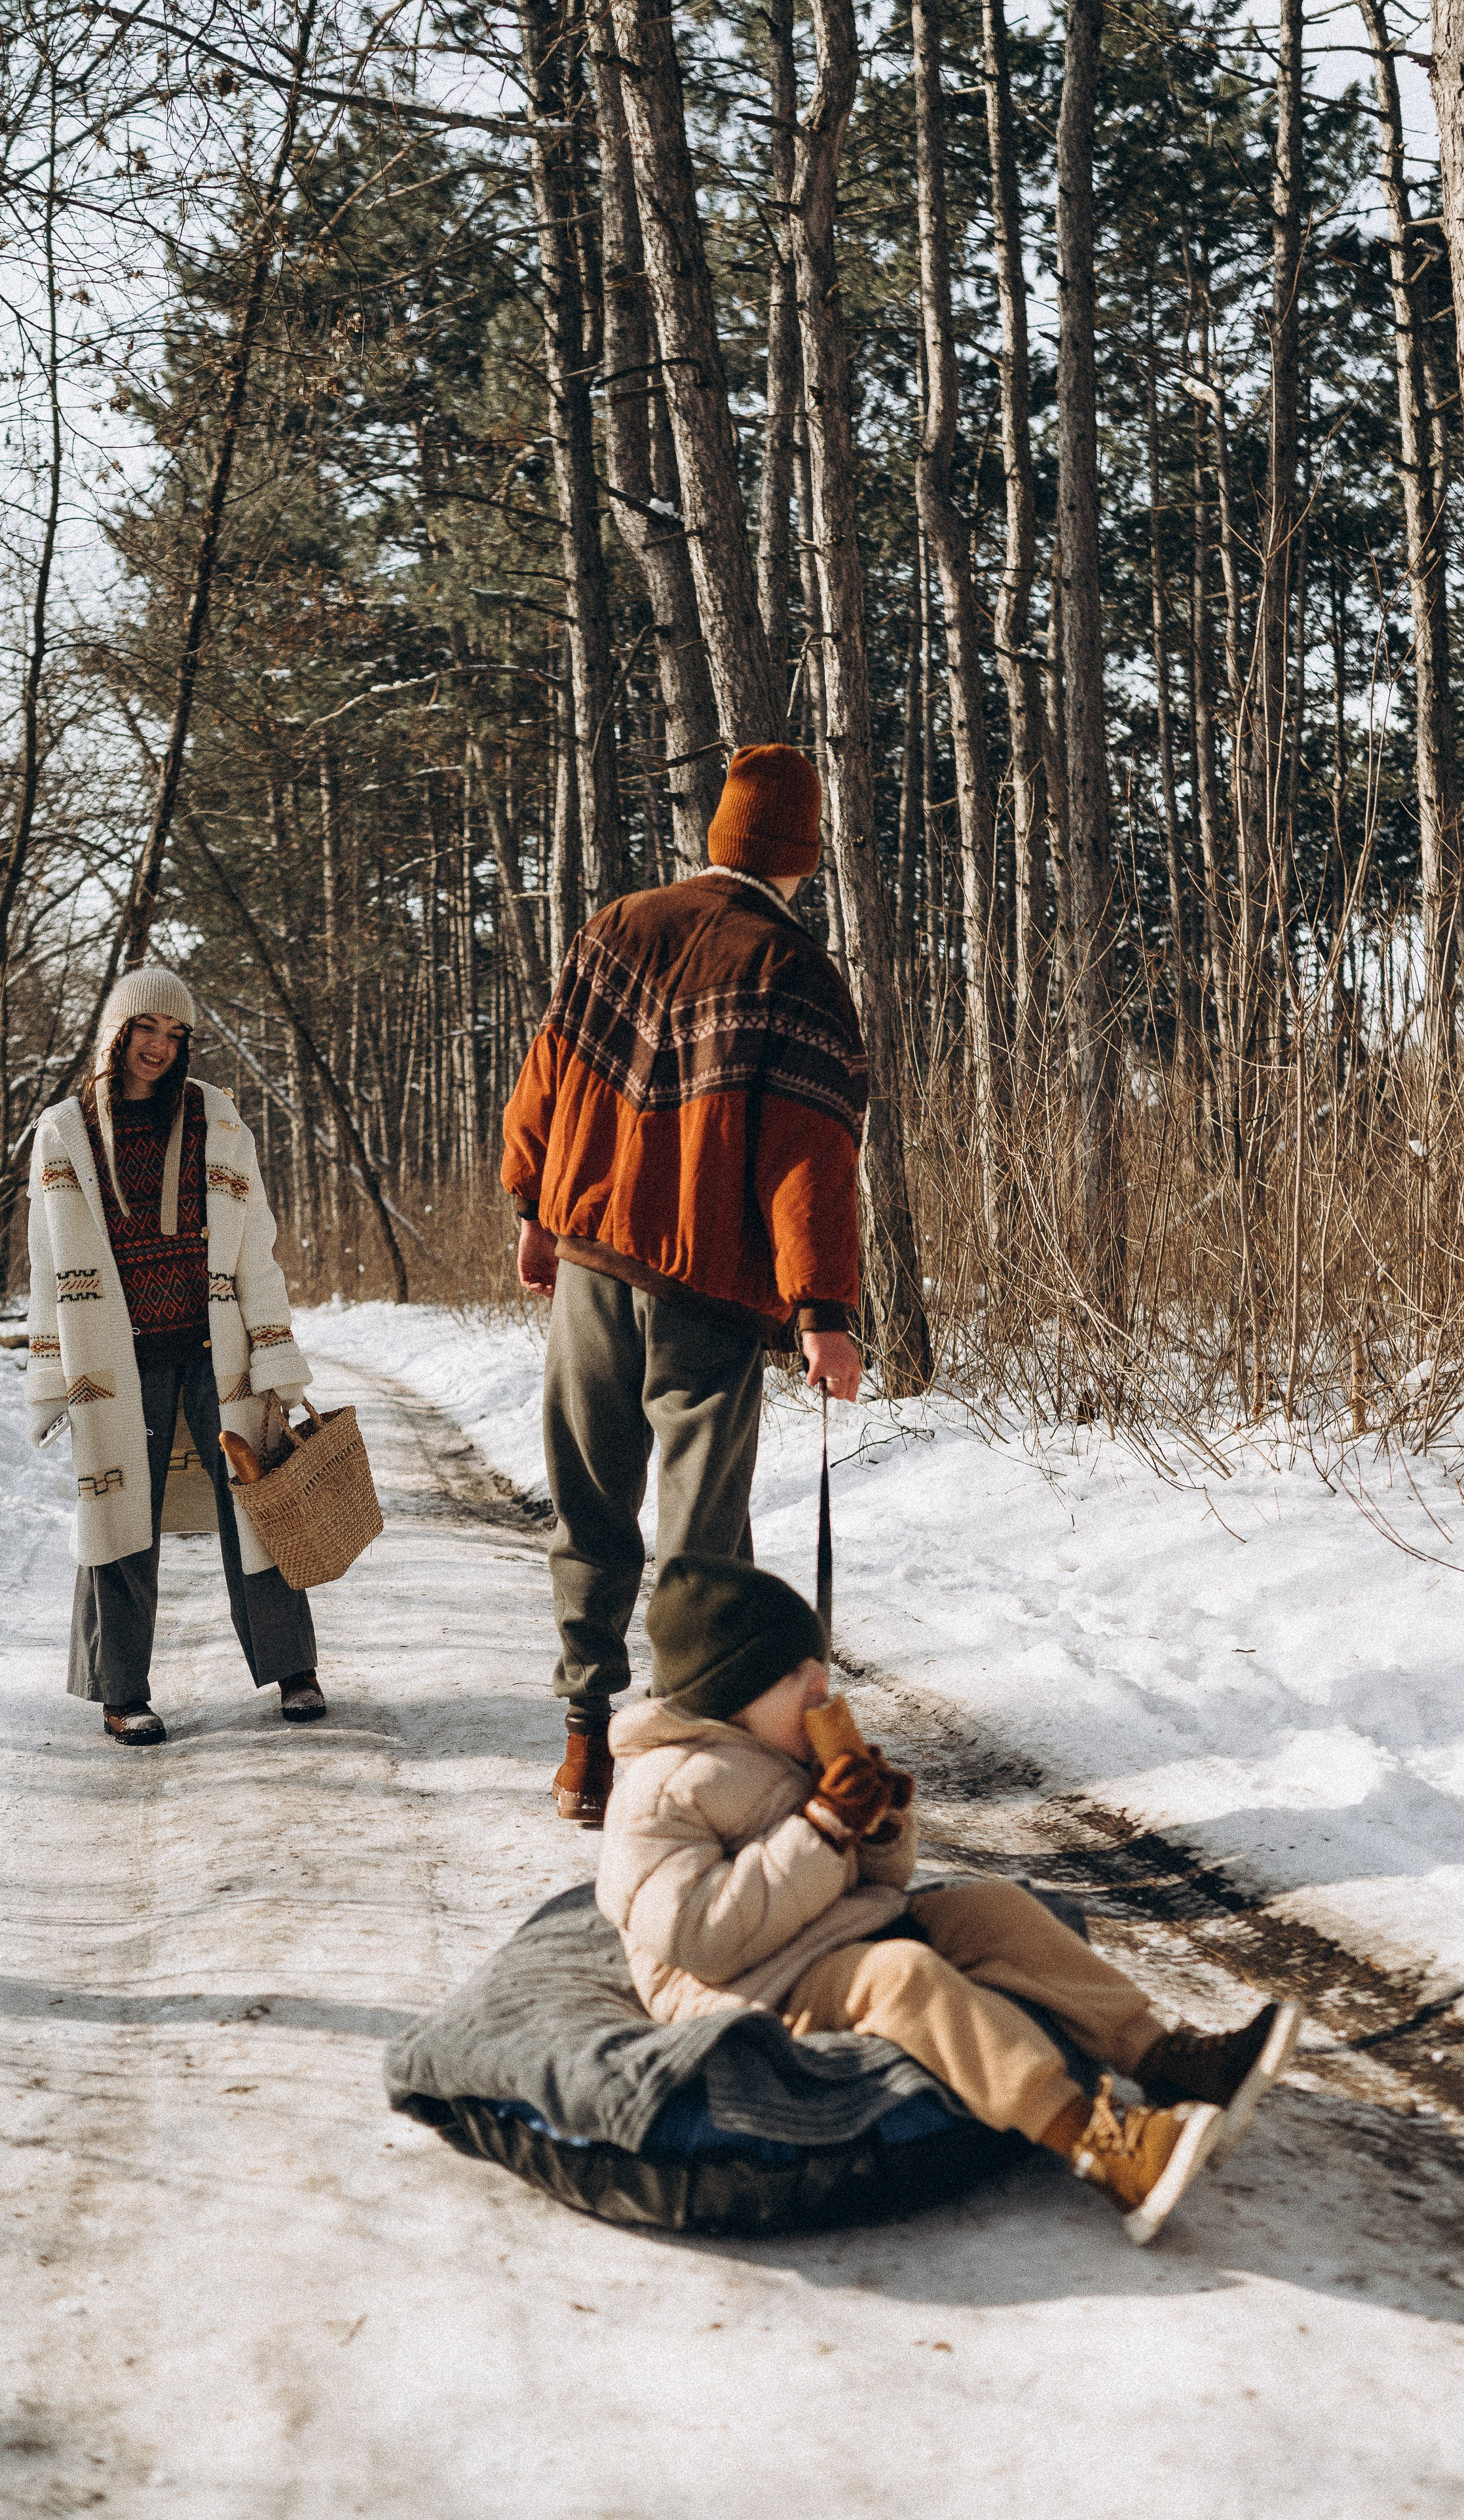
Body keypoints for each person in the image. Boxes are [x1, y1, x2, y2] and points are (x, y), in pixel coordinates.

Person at [597, 1556, 1304, 2246]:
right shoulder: (663, 1786)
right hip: (740, 1986)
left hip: (821, 1933)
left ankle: (1164, 2058)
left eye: (817, 1664)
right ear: (731, 1696)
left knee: (995, 1907)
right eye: (791, 1675)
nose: (820, 1686)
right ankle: (1101, 2144)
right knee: (903, 1974)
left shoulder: (786, 1748)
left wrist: (878, 1826)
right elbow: (704, 1937)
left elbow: (882, 1885)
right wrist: (820, 1828)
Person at [501, 743, 867, 1826]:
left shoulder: (619, 925)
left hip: (590, 1268)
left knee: (588, 1507)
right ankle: (683, 1761)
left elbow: (546, 1076)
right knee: (701, 1539)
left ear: (718, 834)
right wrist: (825, 1312)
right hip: (705, 1295)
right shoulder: (797, 972)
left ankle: (584, 1748)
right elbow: (808, 1162)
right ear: (804, 854)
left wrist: (534, 1208)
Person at [24, 967, 326, 1744]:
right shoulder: (63, 1129)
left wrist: (277, 1357)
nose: (159, 1046)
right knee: (119, 1515)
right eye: (145, 1029)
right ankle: (121, 1690)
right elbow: (46, 1263)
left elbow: (254, 1244)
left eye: (175, 1033)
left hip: (213, 1348)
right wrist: (50, 1374)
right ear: (115, 1034)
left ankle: (294, 1669)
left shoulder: (215, 1117)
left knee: (258, 1507)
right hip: (115, 1359)